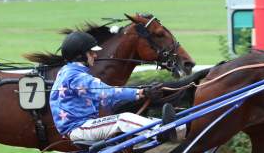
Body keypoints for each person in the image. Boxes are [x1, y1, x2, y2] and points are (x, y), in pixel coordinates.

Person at [50, 31, 184, 144]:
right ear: (80, 55)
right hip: (79, 129)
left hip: (84, 126)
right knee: (124, 119)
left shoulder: (69, 72)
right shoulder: (74, 76)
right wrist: (141, 92)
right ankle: (162, 132)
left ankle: (181, 128)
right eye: (91, 53)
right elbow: (106, 92)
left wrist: (140, 94)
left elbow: (105, 100)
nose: (95, 55)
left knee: (144, 121)